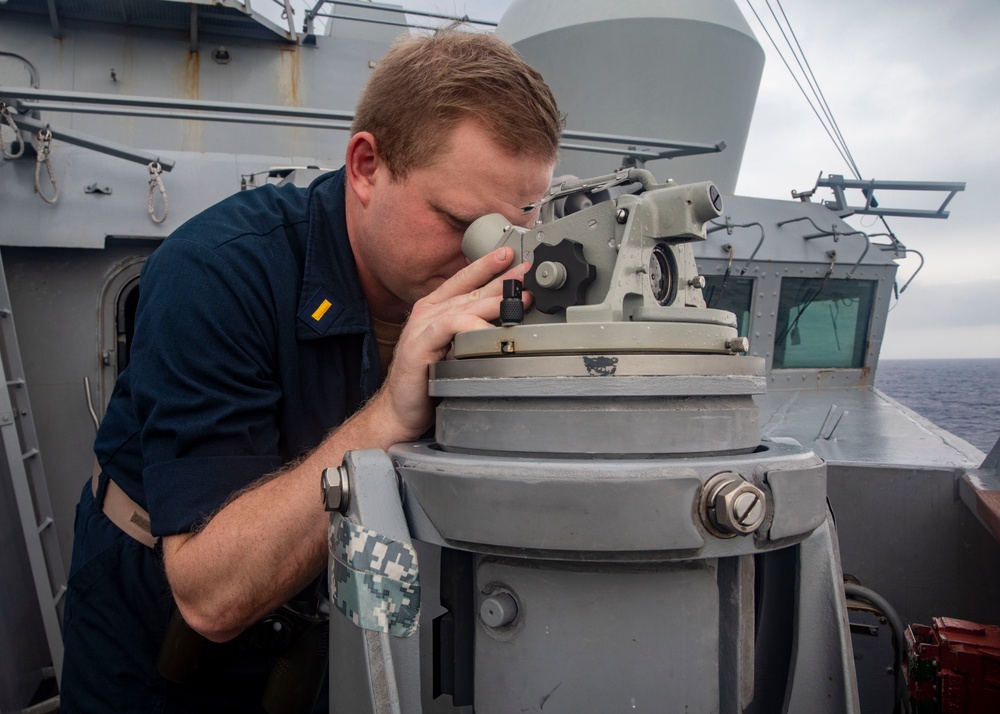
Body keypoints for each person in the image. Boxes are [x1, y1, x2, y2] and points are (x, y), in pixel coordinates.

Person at [60, 27, 561, 713]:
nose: (489, 262)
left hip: (339, 621)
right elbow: (210, 594)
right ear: (365, 167)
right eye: (461, 223)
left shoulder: (503, 288)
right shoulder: (217, 271)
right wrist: (390, 415)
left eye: (513, 232)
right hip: (157, 639)